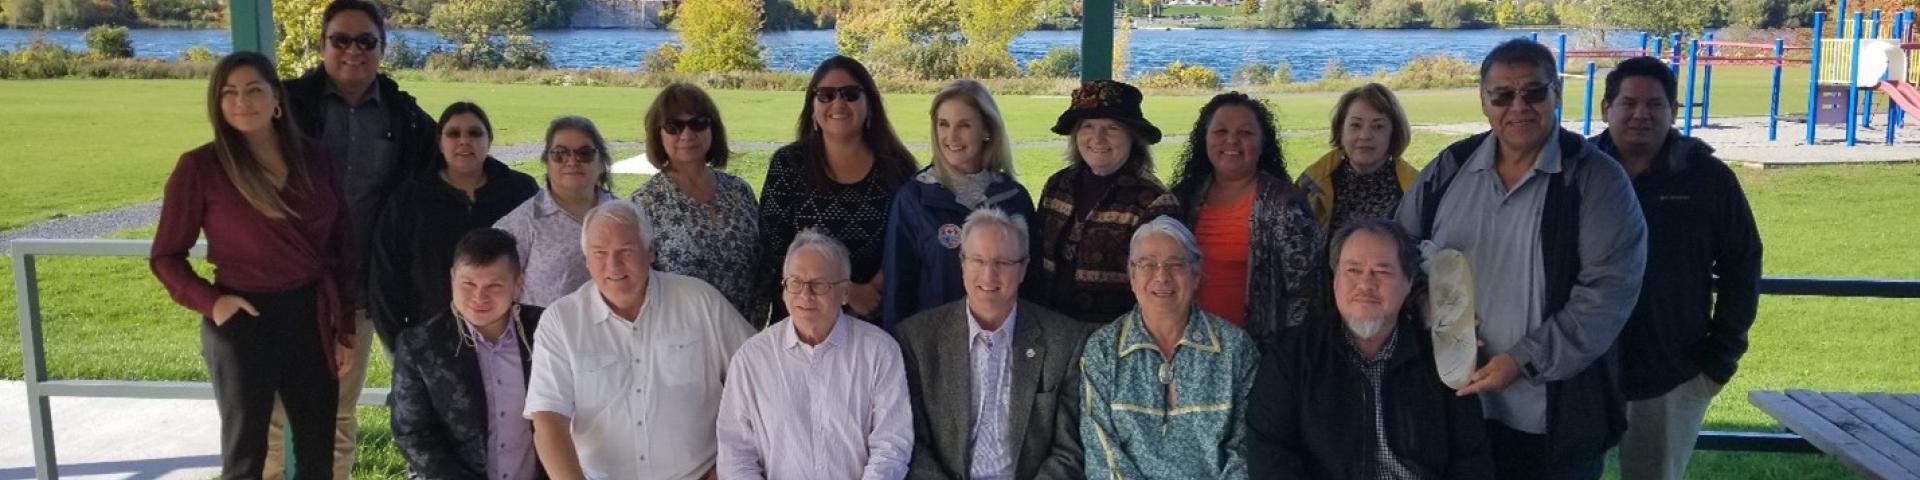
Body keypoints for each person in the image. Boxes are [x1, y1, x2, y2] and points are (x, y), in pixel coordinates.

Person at [1397, 38, 1648, 479]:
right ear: (1483, 100)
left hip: (1551, 421)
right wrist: (1420, 299)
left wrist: (1521, 362)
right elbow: (1399, 249)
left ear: (1556, 95)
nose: (1519, 107)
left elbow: (1607, 296)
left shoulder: (1596, 181)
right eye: (1502, 95)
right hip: (1452, 411)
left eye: (1533, 92)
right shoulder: (1450, 167)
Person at [151, 51, 355, 479]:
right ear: (218, 105)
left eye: (254, 90)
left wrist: (344, 331)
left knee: (319, 453)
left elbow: (340, 249)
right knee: (246, 455)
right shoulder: (201, 167)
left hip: (312, 317)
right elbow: (166, 256)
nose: (242, 101)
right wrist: (214, 303)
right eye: (230, 93)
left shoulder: (315, 159)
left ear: (276, 99)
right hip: (243, 320)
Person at [278, 0, 438, 474]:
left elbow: (452, 163)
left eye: (366, 41)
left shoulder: (404, 117)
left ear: (382, 48)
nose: (353, 51)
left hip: (358, 293)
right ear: (323, 45)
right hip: (286, 290)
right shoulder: (287, 105)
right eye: (341, 40)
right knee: (269, 417)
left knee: (338, 416)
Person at [1591, 57, 1763, 480]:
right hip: (1580, 369)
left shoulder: (1707, 178)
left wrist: (1719, 361)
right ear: (1605, 108)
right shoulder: (1577, 170)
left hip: (1671, 371)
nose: (1640, 114)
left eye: (1655, 104)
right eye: (1628, 102)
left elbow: (1743, 267)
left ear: (1674, 111)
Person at [1245, 219, 1494, 479]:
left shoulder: (1440, 358)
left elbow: (1471, 459)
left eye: (1382, 272)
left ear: (1409, 283)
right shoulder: (1291, 356)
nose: (1365, 284)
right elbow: (1270, 458)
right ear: (1335, 279)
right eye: (1352, 270)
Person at [523, 200, 755, 479]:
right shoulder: (560, 321)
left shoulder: (699, 301)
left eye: (626, 251)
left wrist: (729, 466)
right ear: (585, 260)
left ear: (651, 251)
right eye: (599, 253)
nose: (613, 265)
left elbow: (759, 379)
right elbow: (548, 420)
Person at [894, 208, 1093, 479]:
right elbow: (911, 443)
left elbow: (1069, 449)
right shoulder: (917, 338)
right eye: (978, 260)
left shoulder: (1065, 340)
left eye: (1002, 263)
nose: (989, 275)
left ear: (1023, 268)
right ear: (962, 264)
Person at [717, 230, 913, 479]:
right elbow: (736, 454)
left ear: (844, 292)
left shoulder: (880, 351)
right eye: (795, 283)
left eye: (819, 284)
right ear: (784, 289)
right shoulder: (751, 359)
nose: (805, 295)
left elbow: (891, 445)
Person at [1079, 216, 1258, 478]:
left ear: (1196, 276)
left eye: (1175, 265)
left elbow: (1245, 451)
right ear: (1131, 276)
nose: (1161, 276)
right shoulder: (1104, 351)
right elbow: (1103, 455)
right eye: (1147, 264)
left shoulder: (1235, 348)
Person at [754, 55, 919, 325]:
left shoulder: (897, 168)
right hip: (804, 318)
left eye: (851, 94)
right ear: (812, 107)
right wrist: (848, 292)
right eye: (826, 95)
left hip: (876, 317)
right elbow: (774, 247)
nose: (838, 103)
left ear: (870, 105)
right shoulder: (789, 164)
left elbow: (910, 240)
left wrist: (874, 289)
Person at [368, 102, 539, 347]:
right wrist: (400, 346)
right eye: (453, 133)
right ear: (440, 143)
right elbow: (385, 278)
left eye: (474, 133)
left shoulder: (520, 190)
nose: (464, 141)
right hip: (434, 339)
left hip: (510, 337)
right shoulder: (410, 199)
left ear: (489, 140)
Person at [389, 228, 547, 480]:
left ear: (518, 285)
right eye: (468, 283)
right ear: (452, 278)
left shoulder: (547, 332)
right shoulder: (420, 346)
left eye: (494, 285)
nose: (479, 296)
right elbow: (413, 434)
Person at [880, 80, 1037, 331]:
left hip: (1004, 344)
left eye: (964, 125)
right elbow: (897, 289)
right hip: (934, 348)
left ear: (987, 130)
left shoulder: (1013, 199)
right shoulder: (913, 199)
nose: (951, 137)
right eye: (943, 124)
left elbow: (1031, 286)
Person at [1168, 92, 1320, 340]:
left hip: (1259, 350)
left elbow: (1305, 296)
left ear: (1262, 143)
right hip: (1190, 347)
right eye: (1220, 132)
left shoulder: (1286, 205)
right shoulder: (1182, 198)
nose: (1232, 141)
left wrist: (1286, 359)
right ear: (1204, 139)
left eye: (1246, 133)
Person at [1027, 80, 1180, 324]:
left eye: (1112, 128)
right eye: (1088, 126)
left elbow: (1162, 284)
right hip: (1052, 332)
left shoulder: (1154, 201)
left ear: (1132, 136)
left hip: (1115, 340)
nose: (1097, 138)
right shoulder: (1057, 186)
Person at [629, 82, 763, 323]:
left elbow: (764, 266)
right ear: (658, 134)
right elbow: (636, 287)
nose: (687, 135)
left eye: (698, 123)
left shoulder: (739, 191)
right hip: (680, 342)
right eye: (674, 126)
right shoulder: (643, 204)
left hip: (746, 339)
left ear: (713, 128)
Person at [495, 116, 620, 307]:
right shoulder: (521, 223)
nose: (572, 161)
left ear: (602, 162)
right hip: (547, 334)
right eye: (560, 154)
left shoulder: (625, 216)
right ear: (547, 162)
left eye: (584, 153)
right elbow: (493, 289)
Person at [1297, 83, 1420, 236]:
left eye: (1378, 126)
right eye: (1355, 125)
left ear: (1393, 134)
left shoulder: (1416, 191)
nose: (1365, 136)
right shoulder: (1312, 184)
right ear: (1341, 130)